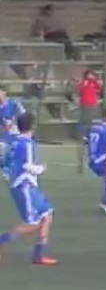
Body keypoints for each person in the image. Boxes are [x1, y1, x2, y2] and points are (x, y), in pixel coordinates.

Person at [0, 113, 58, 266]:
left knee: (47, 215)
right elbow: (27, 165)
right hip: (24, 187)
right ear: (32, 126)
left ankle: (39, 255)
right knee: (33, 224)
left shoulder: (14, 142)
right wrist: (41, 169)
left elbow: (3, 163)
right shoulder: (27, 144)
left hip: (27, 186)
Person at [75, 69, 102, 173]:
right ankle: (80, 163)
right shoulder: (83, 83)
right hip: (85, 108)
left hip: (93, 108)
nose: (92, 76)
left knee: (94, 133)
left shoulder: (93, 83)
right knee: (83, 137)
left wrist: (95, 80)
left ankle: (94, 159)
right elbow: (79, 90)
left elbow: (100, 87)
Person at [0, 88, 25, 176]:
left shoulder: (13, 103)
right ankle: (5, 169)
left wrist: (14, 123)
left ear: (4, 92)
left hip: (15, 132)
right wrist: (3, 127)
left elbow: (22, 113)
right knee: (2, 150)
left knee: (14, 152)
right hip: (5, 133)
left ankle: (11, 170)